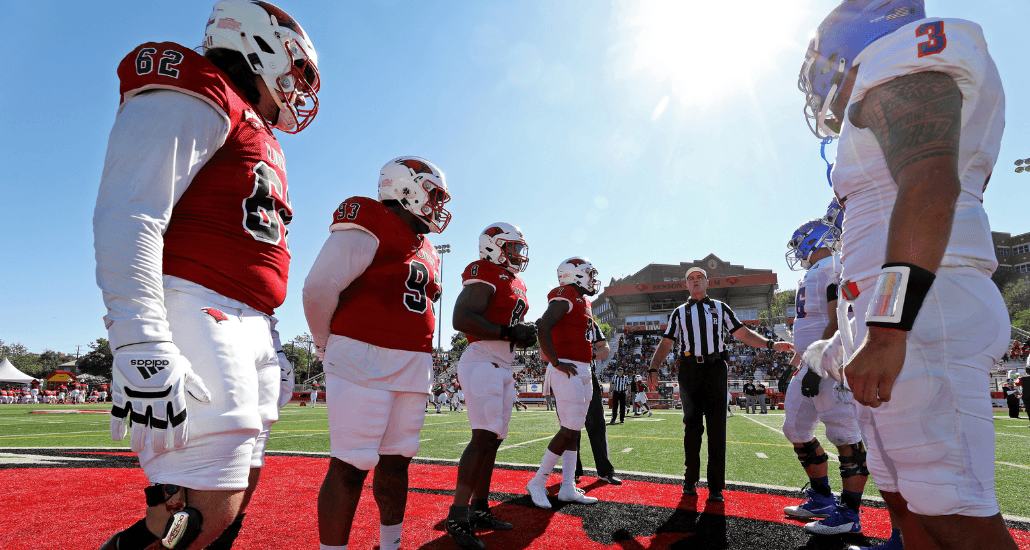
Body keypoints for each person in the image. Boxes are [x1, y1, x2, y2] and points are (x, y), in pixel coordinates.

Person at [94, 2, 316, 548]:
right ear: (260, 47)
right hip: (196, 304)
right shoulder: (199, 88)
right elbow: (131, 213)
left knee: (232, 501)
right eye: (295, 73)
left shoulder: (251, 122)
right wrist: (140, 338)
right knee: (193, 517)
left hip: (247, 318)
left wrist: (273, 342)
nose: (296, 89)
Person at [799, 1, 1014, 549]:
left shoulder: (901, 67)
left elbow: (928, 188)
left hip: (922, 312)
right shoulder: (894, 78)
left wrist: (889, 328)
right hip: (904, 306)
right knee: (907, 502)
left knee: (952, 513)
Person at [303, 156, 450, 550]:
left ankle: (391, 545)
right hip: (363, 356)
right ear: (405, 189)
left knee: (398, 461)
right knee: (351, 465)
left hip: (413, 363)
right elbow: (319, 287)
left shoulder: (429, 248)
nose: (438, 205)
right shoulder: (369, 215)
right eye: (433, 195)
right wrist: (323, 343)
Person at [647, 267, 793, 502]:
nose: (695, 282)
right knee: (691, 427)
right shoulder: (679, 312)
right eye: (691, 279)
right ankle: (690, 480)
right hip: (689, 369)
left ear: (707, 282)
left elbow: (742, 333)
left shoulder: (719, 307)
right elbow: (666, 342)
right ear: (686, 285)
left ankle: (716, 486)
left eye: (699, 278)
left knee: (717, 428)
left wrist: (771, 344)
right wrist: (653, 367)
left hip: (715, 368)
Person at [444, 222, 536, 550]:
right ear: (493, 246)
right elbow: (462, 317)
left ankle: (480, 508)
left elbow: (505, 327)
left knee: (494, 441)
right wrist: (510, 333)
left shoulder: (516, 282)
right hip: (481, 359)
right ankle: (458, 514)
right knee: (482, 437)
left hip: (503, 364)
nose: (518, 255)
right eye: (512, 248)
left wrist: (521, 333)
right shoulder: (484, 270)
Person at [781, 216, 873, 537]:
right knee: (795, 427)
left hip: (831, 361)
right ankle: (822, 499)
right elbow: (811, 323)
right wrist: (798, 360)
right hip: (810, 361)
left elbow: (839, 318)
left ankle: (849, 513)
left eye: (798, 245)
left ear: (812, 240)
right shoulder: (816, 272)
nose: (797, 252)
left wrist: (820, 362)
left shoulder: (835, 266)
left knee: (844, 434)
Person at [525, 257, 604, 508]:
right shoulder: (565, 294)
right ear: (575, 275)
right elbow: (544, 326)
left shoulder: (584, 300)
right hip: (566, 367)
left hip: (582, 368)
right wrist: (557, 363)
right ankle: (538, 481)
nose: (593, 278)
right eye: (589, 273)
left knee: (575, 429)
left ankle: (568, 486)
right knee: (569, 428)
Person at [572, 319, 623, 486]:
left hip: (587, 372)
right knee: (570, 426)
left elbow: (605, 347)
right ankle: (572, 471)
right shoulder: (557, 316)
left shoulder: (589, 322)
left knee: (598, 424)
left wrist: (590, 355)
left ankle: (605, 471)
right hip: (565, 373)